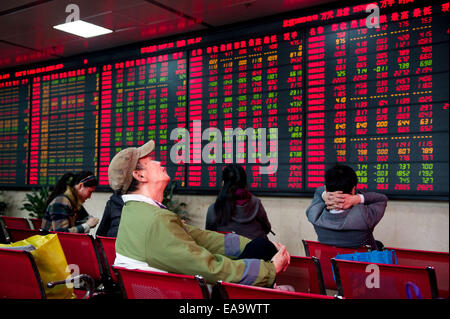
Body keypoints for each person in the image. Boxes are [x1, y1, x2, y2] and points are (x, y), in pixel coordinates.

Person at [110, 140, 290, 287]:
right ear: (139, 176)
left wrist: (252, 245)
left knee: (260, 246)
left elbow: (202, 237)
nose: (159, 162)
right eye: (150, 161)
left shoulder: (137, 212)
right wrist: (269, 270)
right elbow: (209, 268)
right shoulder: (155, 219)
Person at [305, 164, 388, 250]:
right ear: (353, 189)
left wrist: (325, 194)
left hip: (328, 262)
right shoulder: (364, 217)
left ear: (326, 189)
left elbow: (318, 191)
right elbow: (382, 199)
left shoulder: (315, 216)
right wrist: (358, 198)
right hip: (361, 262)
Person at [205, 164, 274, 240]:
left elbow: (209, 236)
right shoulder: (256, 203)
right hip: (258, 250)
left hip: (227, 251)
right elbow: (267, 229)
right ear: (244, 183)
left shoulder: (215, 209)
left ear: (223, 183)